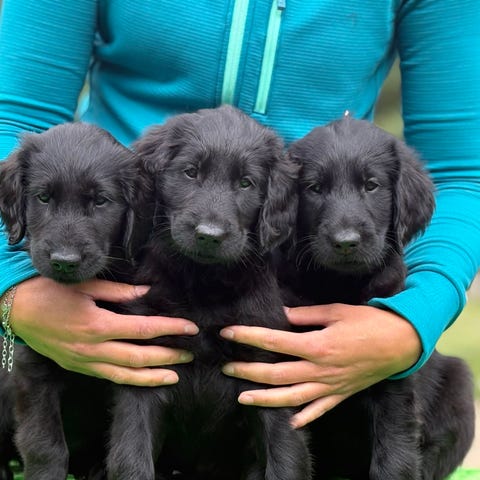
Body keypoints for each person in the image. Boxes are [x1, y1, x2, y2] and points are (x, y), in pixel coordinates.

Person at [0, 0, 479, 431]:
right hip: (120, 258)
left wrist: (413, 319)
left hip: (311, 266)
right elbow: (14, 120)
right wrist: (13, 290)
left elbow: (461, 172)